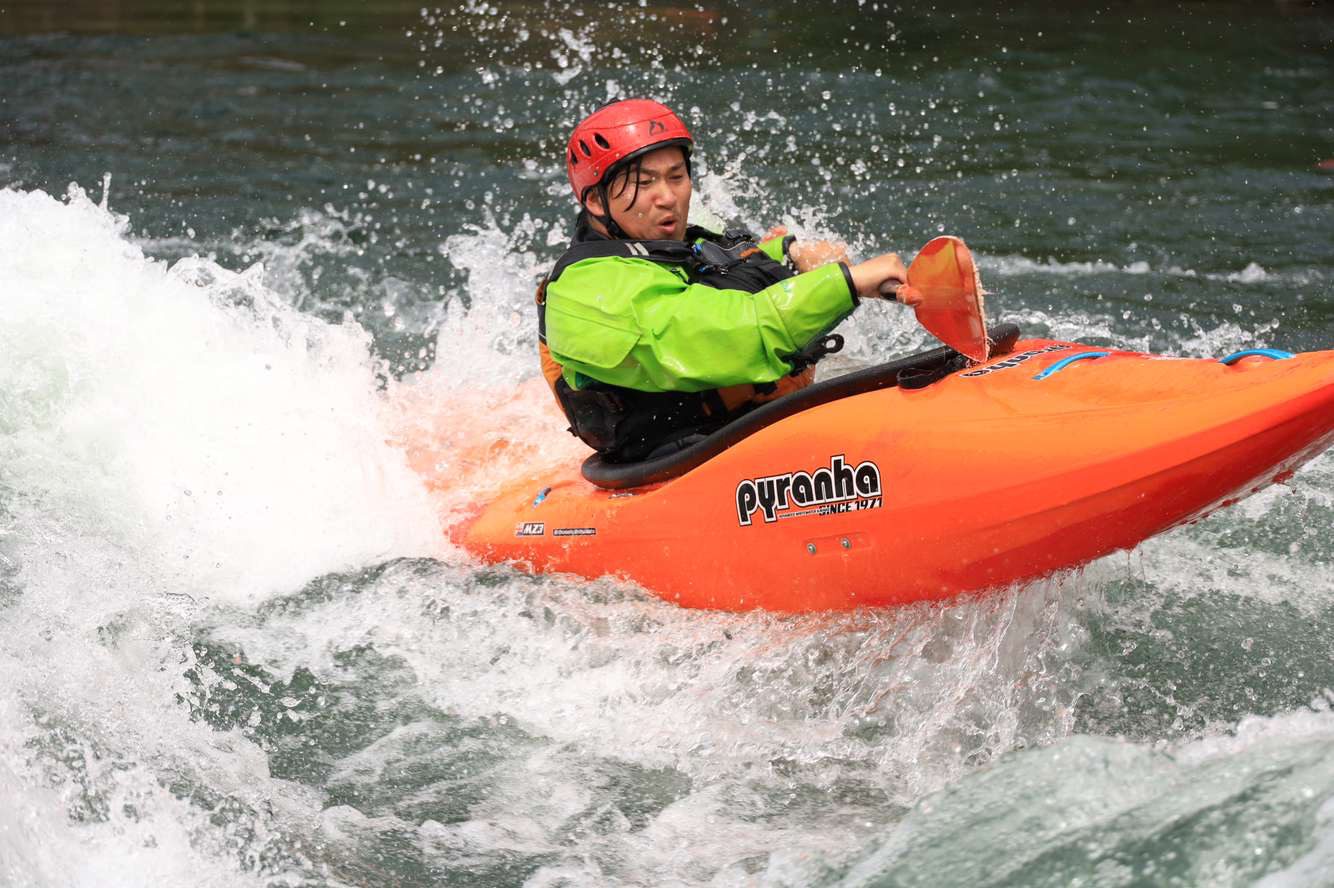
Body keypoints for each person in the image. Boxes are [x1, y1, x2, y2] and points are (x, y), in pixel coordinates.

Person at [537, 98, 922, 462]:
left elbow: (725, 268)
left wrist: (792, 255)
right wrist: (847, 284)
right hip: (679, 464)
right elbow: (723, 334)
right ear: (595, 201)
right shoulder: (586, 292)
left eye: (676, 177)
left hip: (748, 430)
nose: (668, 197)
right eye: (644, 183)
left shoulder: (667, 244)